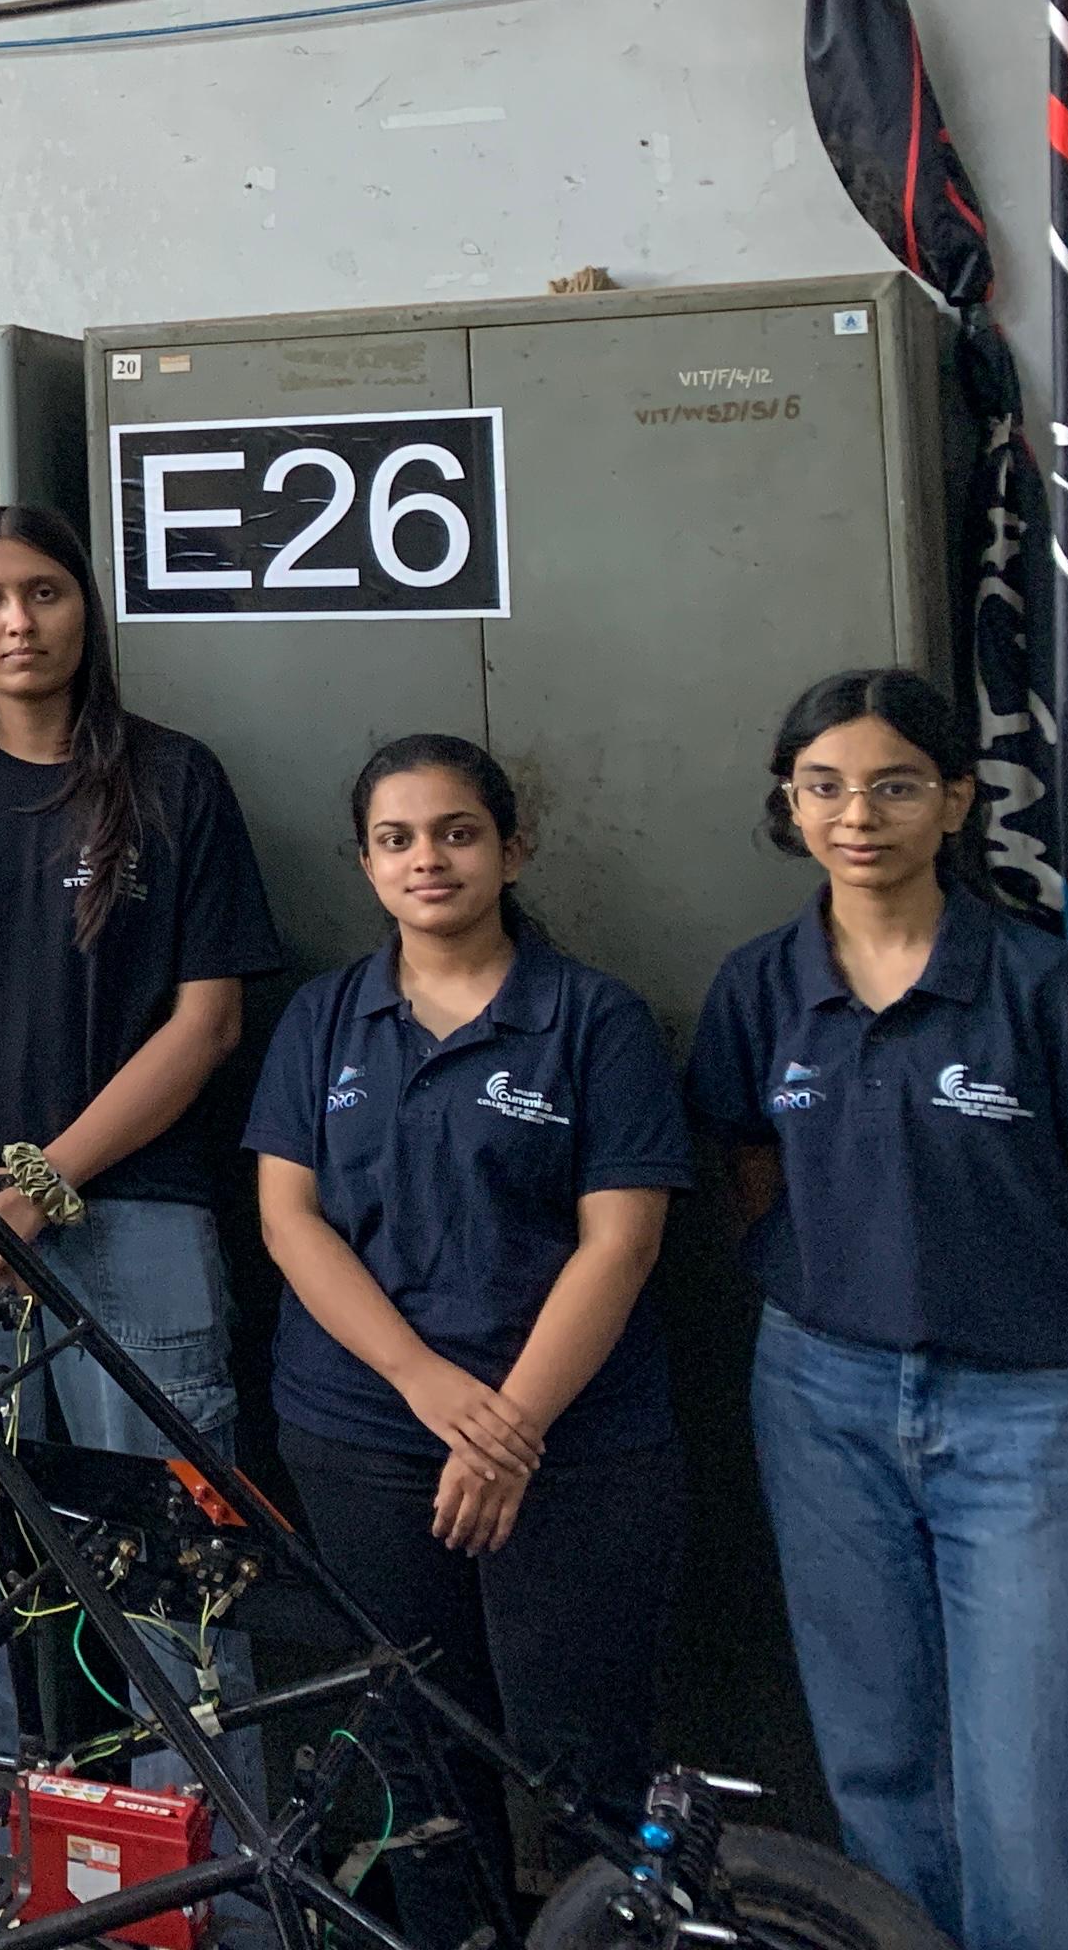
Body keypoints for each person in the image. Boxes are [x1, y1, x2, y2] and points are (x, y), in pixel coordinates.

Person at [688, 668, 1068, 1950]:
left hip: (1022, 1413)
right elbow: (748, 1167)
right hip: (820, 1395)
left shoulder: (1040, 983)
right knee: (879, 1752)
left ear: (954, 801)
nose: (858, 814)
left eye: (895, 785)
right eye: (824, 786)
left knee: (1030, 1770)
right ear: (790, 804)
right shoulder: (758, 987)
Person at [0, 504, 281, 1809]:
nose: (16, 621)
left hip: (131, 1221)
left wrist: (34, 1192)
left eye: (41, 592)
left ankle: (210, 1888)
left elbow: (206, 1023)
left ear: (85, 612)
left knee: (174, 1588)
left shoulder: (174, 778)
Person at [246, 734, 687, 1940]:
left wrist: (510, 1430)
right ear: (365, 864)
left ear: (511, 848)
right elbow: (289, 1220)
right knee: (413, 1755)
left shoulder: (593, 1018)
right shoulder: (325, 1020)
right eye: (396, 840)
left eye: (456, 833)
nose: (426, 860)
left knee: (588, 1752)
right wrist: (425, 1384)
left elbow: (622, 1243)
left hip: (577, 1447)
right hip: (363, 1437)